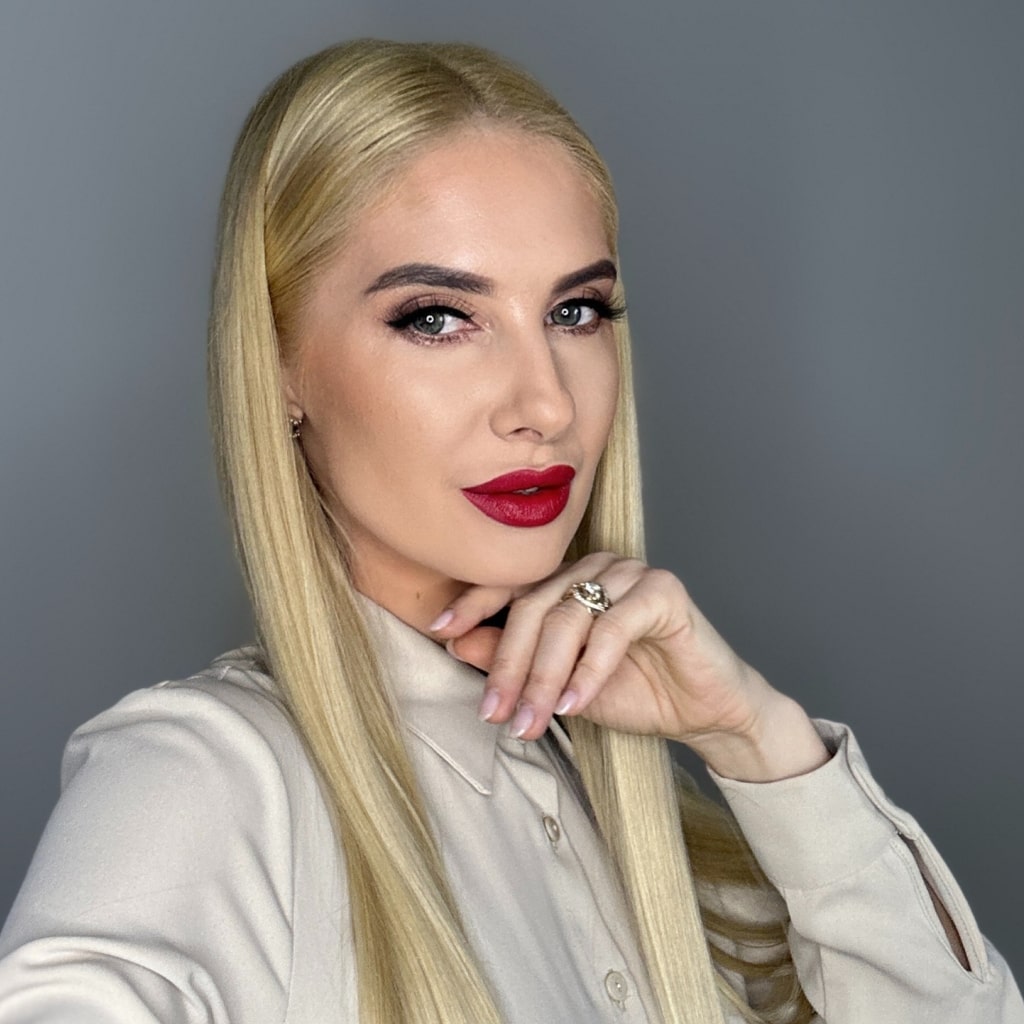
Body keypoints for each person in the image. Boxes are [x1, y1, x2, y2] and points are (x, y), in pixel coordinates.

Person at [0, 37, 1019, 1024]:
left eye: (576, 313)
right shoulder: (205, 776)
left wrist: (756, 739)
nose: (546, 404)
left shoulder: (646, 818)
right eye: (438, 317)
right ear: (278, 368)